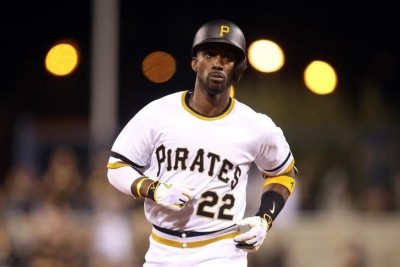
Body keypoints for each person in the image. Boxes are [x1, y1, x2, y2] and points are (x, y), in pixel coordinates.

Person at [107, 19, 298, 266]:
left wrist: (264, 219)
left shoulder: (256, 125)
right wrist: (153, 189)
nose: (218, 62)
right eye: (209, 54)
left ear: (237, 69)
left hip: (221, 251)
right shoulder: (158, 113)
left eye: (228, 57)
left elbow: (283, 173)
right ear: (195, 62)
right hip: (161, 252)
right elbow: (116, 167)